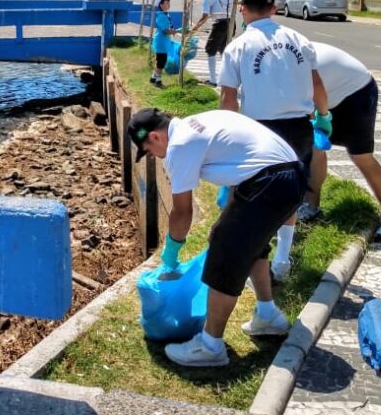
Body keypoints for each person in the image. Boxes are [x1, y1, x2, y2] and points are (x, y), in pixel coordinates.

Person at [128, 107, 306, 367]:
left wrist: (171, 253)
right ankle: (268, 315)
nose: (154, 156)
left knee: (226, 250)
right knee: (247, 242)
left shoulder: (179, 145)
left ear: (155, 137)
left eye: (149, 151)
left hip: (272, 180)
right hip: (290, 175)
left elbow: (182, 211)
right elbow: (242, 154)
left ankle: (211, 346)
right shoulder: (199, 121)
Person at [219, 0, 330, 282]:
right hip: (298, 127)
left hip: (259, 131)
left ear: (242, 9)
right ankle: (282, 260)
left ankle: (248, 253)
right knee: (289, 194)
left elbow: (229, 98)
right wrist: (324, 115)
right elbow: (318, 84)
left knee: (253, 194)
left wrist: (228, 138)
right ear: (274, 8)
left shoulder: (238, 46)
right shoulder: (299, 39)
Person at [297, 42, 381, 242]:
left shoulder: (292, 60)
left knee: (361, 156)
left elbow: (314, 91)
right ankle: (311, 206)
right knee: (315, 148)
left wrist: (320, 117)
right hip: (327, 93)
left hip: (355, 91)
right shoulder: (278, 60)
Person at [187, 0, 233, 86]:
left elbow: (204, 16)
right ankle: (227, 79)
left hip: (219, 24)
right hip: (230, 22)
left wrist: (194, 29)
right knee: (223, 50)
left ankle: (213, 80)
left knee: (210, 49)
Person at [151, 0, 176, 87]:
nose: (168, 5)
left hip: (163, 42)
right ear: (160, 5)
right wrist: (173, 31)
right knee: (161, 62)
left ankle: (153, 78)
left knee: (160, 61)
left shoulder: (165, 14)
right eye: (166, 3)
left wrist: (172, 31)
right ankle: (158, 81)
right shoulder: (161, 16)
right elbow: (165, 31)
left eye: (169, 3)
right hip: (161, 42)